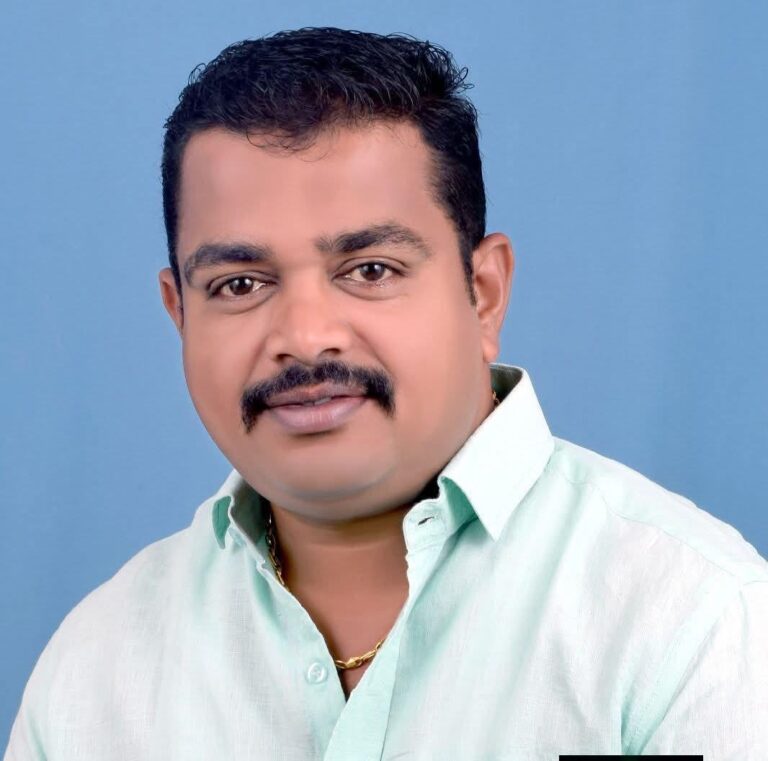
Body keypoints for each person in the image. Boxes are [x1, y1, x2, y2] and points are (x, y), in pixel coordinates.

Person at [5, 27, 767, 761]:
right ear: (180, 313)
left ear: (484, 293)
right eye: (239, 284)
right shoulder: (98, 666)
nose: (305, 336)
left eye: (370, 269)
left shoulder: (690, 619)